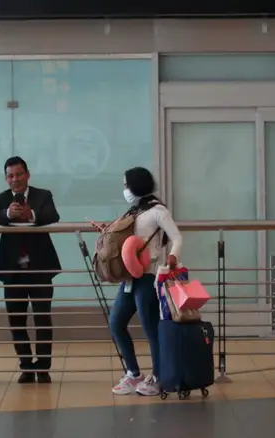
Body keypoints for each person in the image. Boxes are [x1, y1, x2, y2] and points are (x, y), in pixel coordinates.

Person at [91, 167, 182, 397]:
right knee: (116, 322)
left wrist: (173, 257)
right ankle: (133, 373)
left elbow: (177, 237)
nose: (125, 190)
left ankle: (159, 376)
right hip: (130, 278)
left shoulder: (157, 210)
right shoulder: (134, 211)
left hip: (148, 277)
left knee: (151, 328)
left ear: (137, 185)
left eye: (126, 185)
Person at [0, 156, 61, 383]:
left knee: (42, 319)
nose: (15, 179)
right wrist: (8, 215)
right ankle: (26, 366)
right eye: (10, 176)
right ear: (6, 178)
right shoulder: (0, 199)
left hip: (40, 267)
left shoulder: (43, 195)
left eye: (19, 174)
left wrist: (30, 215)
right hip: (12, 270)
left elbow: (52, 215)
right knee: (16, 320)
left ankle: (43, 367)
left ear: (27, 175)